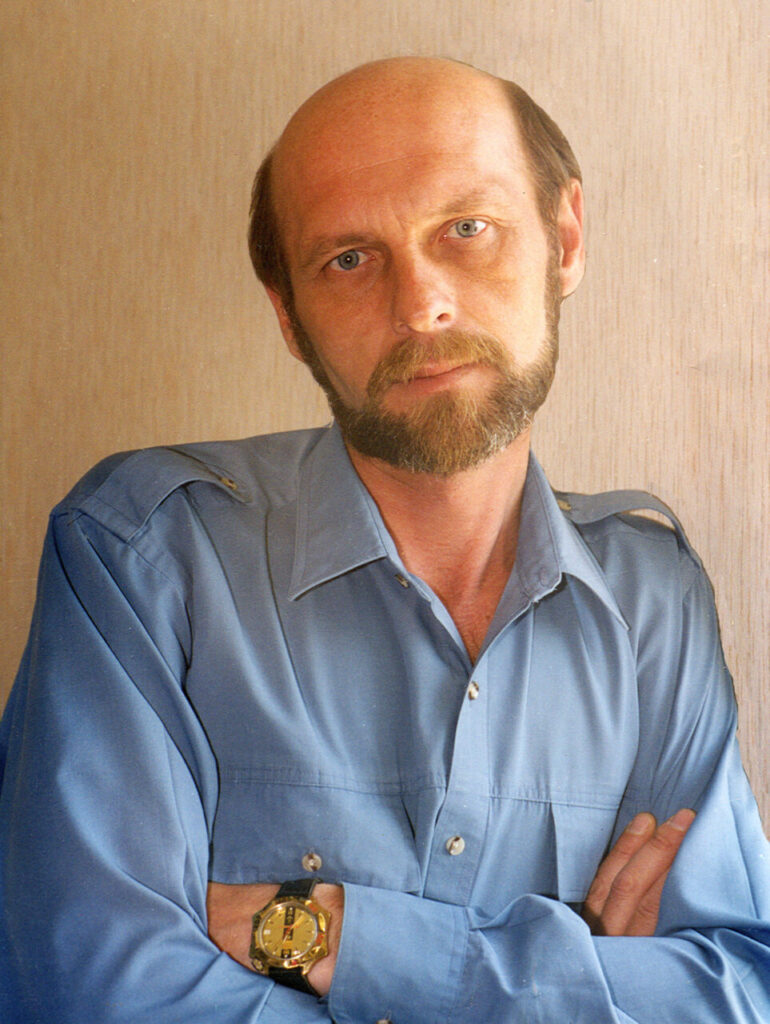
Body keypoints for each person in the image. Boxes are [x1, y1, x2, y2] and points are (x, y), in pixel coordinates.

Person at [0, 56, 768, 1023]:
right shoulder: (143, 556)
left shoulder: (652, 597)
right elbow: (99, 997)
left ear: (565, 238)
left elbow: (739, 991)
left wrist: (330, 934)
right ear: (289, 315)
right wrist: (574, 972)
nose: (421, 307)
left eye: (467, 229)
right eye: (350, 260)